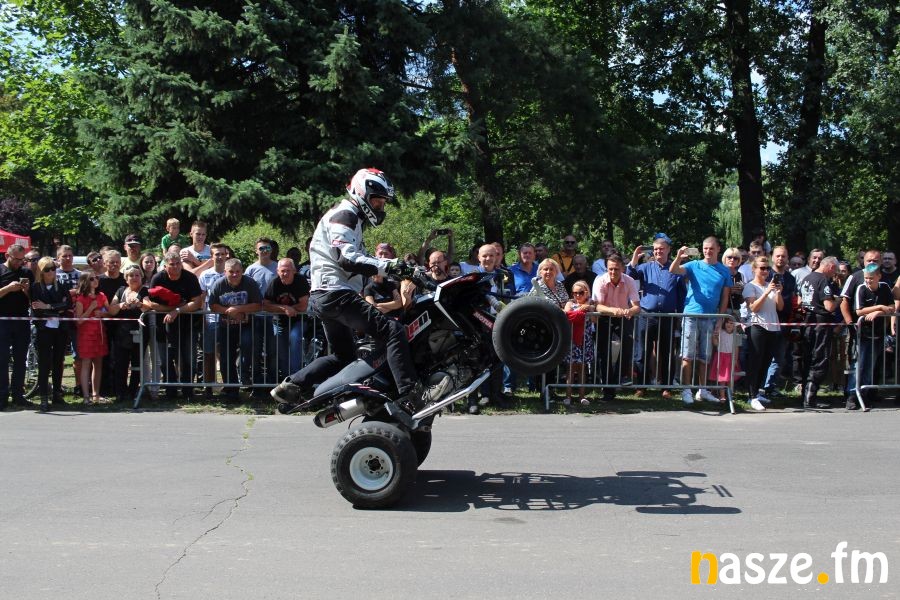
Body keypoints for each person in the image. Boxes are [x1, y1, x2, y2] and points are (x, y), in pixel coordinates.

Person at [270, 168, 423, 413]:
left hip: (325, 296)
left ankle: (292, 386)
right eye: (377, 200)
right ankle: (409, 394)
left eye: (383, 202)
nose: (381, 207)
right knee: (393, 331)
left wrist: (393, 269)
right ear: (361, 193)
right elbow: (348, 259)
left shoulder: (351, 219)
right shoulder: (345, 215)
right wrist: (394, 266)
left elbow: (359, 259)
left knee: (344, 356)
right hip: (336, 294)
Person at [669, 237, 732, 406]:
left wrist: (720, 319)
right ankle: (686, 390)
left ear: (718, 249)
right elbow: (673, 270)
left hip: (710, 317)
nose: (707, 251)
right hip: (691, 314)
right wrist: (678, 257)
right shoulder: (694, 265)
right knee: (687, 355)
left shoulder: (724, 271)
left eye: (711, 248)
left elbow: (725, 297)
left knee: (705, 356)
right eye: (705, 248)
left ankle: (702, 390)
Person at [140, 251, 204, 400]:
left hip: (187, 325)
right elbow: (151, 304)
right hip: (163, 325)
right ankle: (171, 390)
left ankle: (188, 390)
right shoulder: (158, 278)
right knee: (165, 359)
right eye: (172, 264)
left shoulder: (190, 278)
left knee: (189, 359)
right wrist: (173, 309)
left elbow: (197, 302)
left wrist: (178, 310)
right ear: (165, 266)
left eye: (178, 264)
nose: (175, 267)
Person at [626, 233, 684, 398]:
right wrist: (634, 259)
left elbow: (681, 294)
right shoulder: (645, 267)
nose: (658, 251)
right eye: (656, 249)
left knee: (667, 353)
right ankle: (641, 386)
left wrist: (680, 315)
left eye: (661, 249)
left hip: (667, 317)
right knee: (642, 352)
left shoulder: (676, 269)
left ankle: (666, 387)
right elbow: (630, 276)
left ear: (668, 250)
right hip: (646, 316)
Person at [208, 259, 262, 400]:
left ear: (242, 271)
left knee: (249, 348)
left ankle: (249, 380)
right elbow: (212, 305)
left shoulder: (250, 283)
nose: (235, 275)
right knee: (226, 358)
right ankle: (231, 389)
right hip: (226, 326)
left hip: (247, 325)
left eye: (238, 271)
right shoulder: (219, 284)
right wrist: (228, 311)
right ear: (225, 272)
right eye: (231, 272)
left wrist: (238, 309)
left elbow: (258, 305)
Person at [592, 254, 640, 401]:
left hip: (623, 316)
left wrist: (629, 311)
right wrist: (613, 310)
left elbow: (637, 306)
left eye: (616, 269)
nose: (613, 272)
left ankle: (617, 378)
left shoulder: (629, 280)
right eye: (610, 269)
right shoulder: (600, 280)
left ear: (623, 268)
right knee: (604, 353)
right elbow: (597, 306)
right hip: (605, 316)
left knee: (627, 345)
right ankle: (608, 390)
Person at [742, 255, 784, 411]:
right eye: (762, 268)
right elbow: (753, 307)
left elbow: (780, 307)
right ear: (754, 269)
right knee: (755, 361)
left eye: (767, 268)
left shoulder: (770, 285)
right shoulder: (750, 286)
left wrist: (778, 292)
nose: (765, 271)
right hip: (757, 326)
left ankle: (757, 392)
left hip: (772, 327)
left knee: (766, 362)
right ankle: (751, 396)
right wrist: (766, 292)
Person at [30, 257, 72, 410]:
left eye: (53, 268)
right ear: (41, 271)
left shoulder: (61, 285)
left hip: (60, 329)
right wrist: (56, 308)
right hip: (44, 329)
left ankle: (57, 394)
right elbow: (37, 309)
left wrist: (48, 306)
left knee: (58, 361)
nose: (51, 272)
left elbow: (67, 304)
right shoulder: (35, 288)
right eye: (47, 269)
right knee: (44, 363)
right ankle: (43, 397)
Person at [797, 256, 839, 409]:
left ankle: (805, 396)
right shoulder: (823, 280)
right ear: (830, 267)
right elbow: (829, 306)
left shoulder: (807, 278)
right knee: (820, 359)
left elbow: (799, 301)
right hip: (821, 324)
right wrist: (838, 300)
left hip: (808, 322)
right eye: (834, 270)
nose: (834, 274)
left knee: (808, 358)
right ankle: (810, 398)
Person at [850, 265, 894, 409]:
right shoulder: (861, 289)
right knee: (859, 365)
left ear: (879, 277)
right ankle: (852, 395)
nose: (868, 281)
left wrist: (879, 312)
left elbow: (891, 307)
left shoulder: (885, 287)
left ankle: (865, 394)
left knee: (870, 366)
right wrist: (879, 307)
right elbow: (859, 311)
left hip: (879, 334)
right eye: (866, 278)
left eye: (871, 278)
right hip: (863, 334)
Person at [0, 244, 35, 410]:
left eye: (22, 260)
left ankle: (18, 395)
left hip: (21, 320)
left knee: (21, 359)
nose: (19, 263)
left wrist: (27, 290)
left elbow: (33, 298)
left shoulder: (26, 273)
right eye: (16, 259)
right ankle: (2, 397)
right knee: (2, 359)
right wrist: (8, 288)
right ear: (7, 256)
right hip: (2, 321)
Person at [263, 258, 310, 380]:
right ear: (277, 271)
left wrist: (289, 309)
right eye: (282, 271)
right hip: (279, 322)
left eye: (288, 270)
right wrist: (284, 308)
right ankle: (286, 379)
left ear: (294, 271)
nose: (285, 273)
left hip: (298, 320)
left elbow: (303, 306)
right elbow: (266, 305)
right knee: (281, 350)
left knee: (295, 339)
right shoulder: (274, 283)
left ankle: (296, 378)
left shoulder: (301, 281)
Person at [106, 264, 146, 403]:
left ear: (141, 277)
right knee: (120, 363)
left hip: (139, 332)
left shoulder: (144, 290)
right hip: (121, 332)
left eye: (137, 275)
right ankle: (120, 392)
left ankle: (133, 391)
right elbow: (111, 310)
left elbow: (148, 307)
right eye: (131, 275)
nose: (134, 278)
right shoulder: (121, 290)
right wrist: (120, 305)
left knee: (137, 363)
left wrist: (140, 304)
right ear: (126, 278)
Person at [762, 246, 798, 396]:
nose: (780, 259)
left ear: (787, 258)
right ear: (772, 257)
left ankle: (770, 386)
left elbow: (792, 299)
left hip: (784, 322)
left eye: (783, 256)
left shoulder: (791, 278)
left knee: (779, 356)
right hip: (766, 320)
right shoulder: (765, 273)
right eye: (778, 256)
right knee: (764, 355)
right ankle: (759, 386)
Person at [74, 272, 108, 404]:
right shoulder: (80, 299)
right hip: (86, 334)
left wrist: (102, 313)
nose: (95, 280)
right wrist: (91, 309)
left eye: (96, 278)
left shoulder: (102, 295)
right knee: (86, 363)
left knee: (98, 363)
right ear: (85, 282)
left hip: (99, 332)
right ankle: (86, 396)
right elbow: (79, 320)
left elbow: (109, 311)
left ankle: (96, 394)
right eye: (92, 279)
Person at [198, 243, 228, 390]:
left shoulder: (231, 273)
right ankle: (209, 386)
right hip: (210, 319)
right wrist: (203, 318)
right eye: (217, 254)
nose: (220, 257)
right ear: (212, 256)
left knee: (225, 354)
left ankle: (228, 386)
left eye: (222, 254)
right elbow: (202, 299)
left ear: (226, 255)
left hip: (228, 319)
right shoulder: (205, 275)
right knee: (209, 353)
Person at [563, 280, 596, 406]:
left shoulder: (591, 303)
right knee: (570, 368)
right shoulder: (570, 303)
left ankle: (582, 396)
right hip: (572, 339)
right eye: (575, 293)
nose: (577, 295)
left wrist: (589, 307)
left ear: (586, 292)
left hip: (585, 339)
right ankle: (568, 396)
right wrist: (581, 310)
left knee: (582, 369)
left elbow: (594, 319)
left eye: (581, 292)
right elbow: (567, 314)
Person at [708, 319, 739, 403]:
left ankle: (729, 395)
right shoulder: (721, 332)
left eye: (731, 323)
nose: (729, 324)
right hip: (721, 357)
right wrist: (714, 337)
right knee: (722, 379)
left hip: (730, 358)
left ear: (735, 325)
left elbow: (736, 348)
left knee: (730, 379)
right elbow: (716, 344)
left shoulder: (736, 335)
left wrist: (735, 359)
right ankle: (722, 396)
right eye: (727, 322)